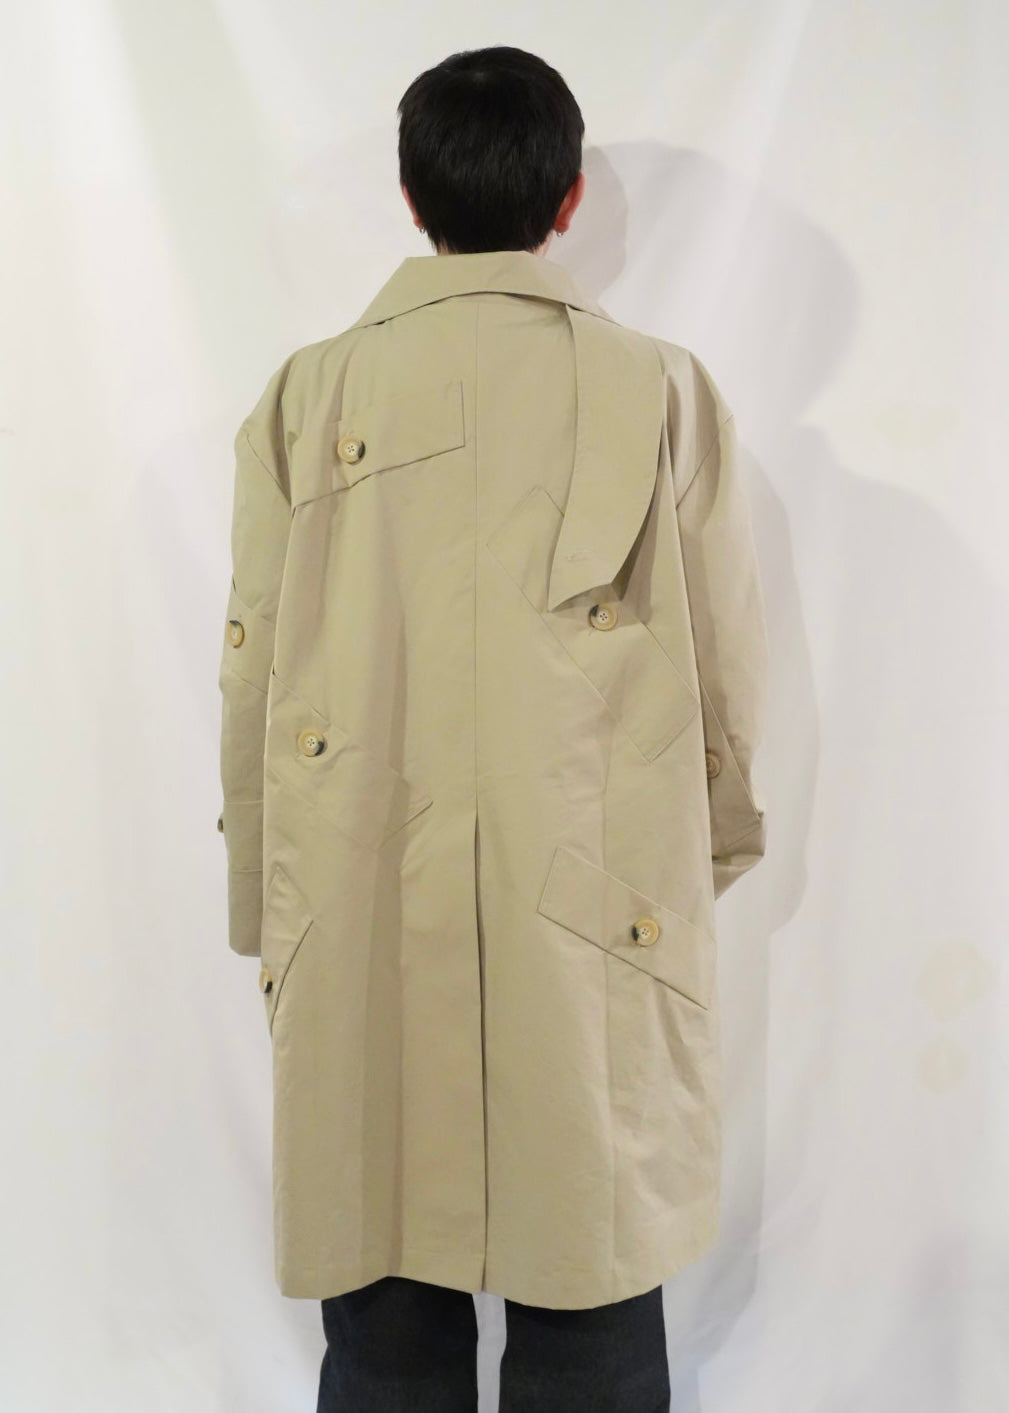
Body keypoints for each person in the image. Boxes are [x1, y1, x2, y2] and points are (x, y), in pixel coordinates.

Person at [217, 43, 769, 1413]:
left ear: (411, 200)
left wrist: (265, 906)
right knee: (592, 1292)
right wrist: (702, 855)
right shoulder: (659, 388)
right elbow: (723, 663)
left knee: (383, 1307)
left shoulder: (309, 395)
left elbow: (253, 669)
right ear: (566, 200)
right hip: (595, 903)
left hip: (355, 896)